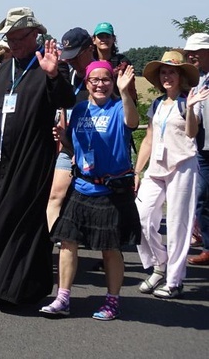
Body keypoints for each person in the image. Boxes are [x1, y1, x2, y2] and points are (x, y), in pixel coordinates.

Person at [0, 7, 75, 307]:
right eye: (9, 39)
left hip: (30, 159)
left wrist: (53, 75)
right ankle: (9, 283)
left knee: (18, 225)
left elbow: (65, 99)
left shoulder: (50, 66)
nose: (13, 44)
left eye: (19, 37)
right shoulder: (3, 70)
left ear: (35, 34)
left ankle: (10, 290)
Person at [40, 61, 140, 321]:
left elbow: (132, 121)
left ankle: (112, 300)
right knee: (67, 242)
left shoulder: (119, 107)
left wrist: (125, 91)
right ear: (86, 84)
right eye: (94, 80)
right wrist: (63, 138)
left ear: (112, 83)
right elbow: (75, 150)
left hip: (111, 191)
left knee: (110, 248)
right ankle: (62, 298)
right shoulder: (80, 109)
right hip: (82, 185)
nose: (100, 84)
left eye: (106, 79)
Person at [135, 50, 208, 298]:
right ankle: (159, 265)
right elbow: (149, 139)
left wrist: (189, 109)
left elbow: (191, 133)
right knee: (141, 217)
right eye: (164, 72)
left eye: (172, 72)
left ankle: (174, 281)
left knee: (178, 224)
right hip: (156, 168)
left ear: (180, 76)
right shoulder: (157, 104)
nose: (167, 76)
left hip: (183, 166)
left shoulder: (188, 100)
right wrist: (137, 170)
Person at [46, 27, 96, 231]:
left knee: (96, 203)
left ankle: (107, 255)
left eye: (75, 56)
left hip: (96, 150)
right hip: (70, 146)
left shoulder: (103, 76)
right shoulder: (71, 75)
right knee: (56, 194)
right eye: (68, 56)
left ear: (89, 49)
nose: (71, 61)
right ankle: (51, 242)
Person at [184, 33, 209, 265]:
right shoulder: (200, 79)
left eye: (196, 51)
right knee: (200, 198)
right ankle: (208, 248)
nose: (192, 55)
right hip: (203, 148)